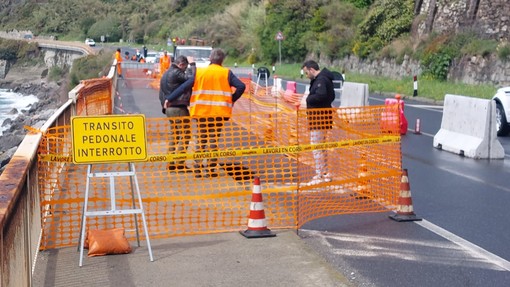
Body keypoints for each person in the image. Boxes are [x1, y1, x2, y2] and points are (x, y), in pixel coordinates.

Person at [188, 48, 246, 178]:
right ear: (222, 60)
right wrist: (231, 99)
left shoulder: (201, 72)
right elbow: (241, 86)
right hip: (218, 113)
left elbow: (186, 85)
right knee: (213, 141)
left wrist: (170, 98)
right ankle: (210, 169)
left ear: (210, 58)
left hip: (202, 112)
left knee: (201, 140)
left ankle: (197, 169)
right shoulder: (226, 73)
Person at [301, 60, 336, 185]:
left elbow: (321, 95)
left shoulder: (321, 80)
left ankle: (320, 174)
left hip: (319, 119)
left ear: (311, 69)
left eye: (306, 72)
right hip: (323, 118)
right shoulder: (323, 79)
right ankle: (325, 172)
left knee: (316, 145)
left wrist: (309, 99)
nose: (306, 75)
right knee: (321, 146)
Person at [158, 56, 196, 171]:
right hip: (179, 107)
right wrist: (193, 65)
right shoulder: (176, 72)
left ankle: (170, 162)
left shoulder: (165, 74)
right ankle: (179, 162)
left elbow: (161, 93)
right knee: (185, 135)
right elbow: (191, 79)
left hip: (169, 109)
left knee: (174, 135)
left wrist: (164, 108)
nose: (185, 70)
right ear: (181, 64)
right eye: (185, 67)